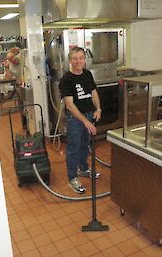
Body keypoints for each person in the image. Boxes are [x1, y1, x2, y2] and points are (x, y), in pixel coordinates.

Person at [59, 46, 101, 194]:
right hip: (75, 119)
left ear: (84, 59)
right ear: (70, 61)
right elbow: (70, 105)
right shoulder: (66, 80)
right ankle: (72, 178)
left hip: (89, 114)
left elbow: (93, 92)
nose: (78, 61)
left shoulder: (87, 74)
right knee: (73, 148)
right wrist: (86, 121)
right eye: (75, 59)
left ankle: (83, 169)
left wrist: (98, 109)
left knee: (85, 145)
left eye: (81, 58)